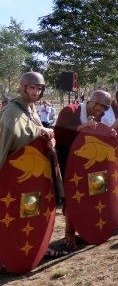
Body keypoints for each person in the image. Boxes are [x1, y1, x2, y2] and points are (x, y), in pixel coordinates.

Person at [0, 72, 67, 259]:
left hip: (34, 171)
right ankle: (9, 254)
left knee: (35, 211)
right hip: (14, 172)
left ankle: (39, 247)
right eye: (32, 87)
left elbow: (38, 138)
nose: (36, 91)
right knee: (13, 214)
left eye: (39, 88)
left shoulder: (31, 109)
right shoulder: (12, 110)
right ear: (23, 88)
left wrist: (48, 141)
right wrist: (41, 130)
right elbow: (18, 134)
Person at [54, 89, 116, 251]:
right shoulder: (70, 111)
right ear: (92, 102)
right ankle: (69, 234)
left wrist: (109, 133)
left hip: (89, 161)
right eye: (100, 106)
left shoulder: (99, 116)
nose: (102, 111)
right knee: (72, 196)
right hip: (68, 160)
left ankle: (85, 229)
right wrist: (82, 127)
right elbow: (59, 135)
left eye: (105, 108)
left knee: (90, 194)